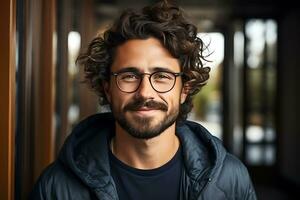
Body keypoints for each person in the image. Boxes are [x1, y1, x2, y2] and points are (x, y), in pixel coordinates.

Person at [30, 1, 257, 199]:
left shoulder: (230, 180)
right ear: (107, 88)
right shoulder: (56, 186)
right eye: (129, 76)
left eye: (162, 76)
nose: (145, 93)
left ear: (184, 89)